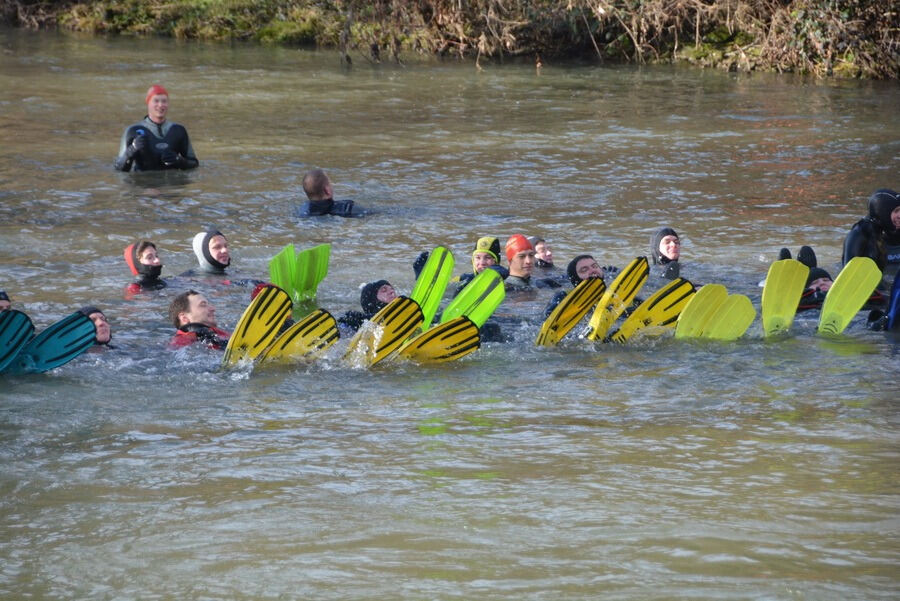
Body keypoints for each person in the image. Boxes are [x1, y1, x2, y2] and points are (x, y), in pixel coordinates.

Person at [114, 84, 199, 172]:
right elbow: (119, 168)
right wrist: (132, 149)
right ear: (148, 103)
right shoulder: (132, 131)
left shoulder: (178, 130)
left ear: (168, 104)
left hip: (171, 184)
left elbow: (194, 164)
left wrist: (179, 160)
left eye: (164, 101)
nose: (160, 105)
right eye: (156, 101)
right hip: (143, 183)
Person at [842, 188, 900, 276]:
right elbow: (848, 275)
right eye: (896, 211)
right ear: (883, 212)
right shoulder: (859, 235)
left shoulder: (894, 229)